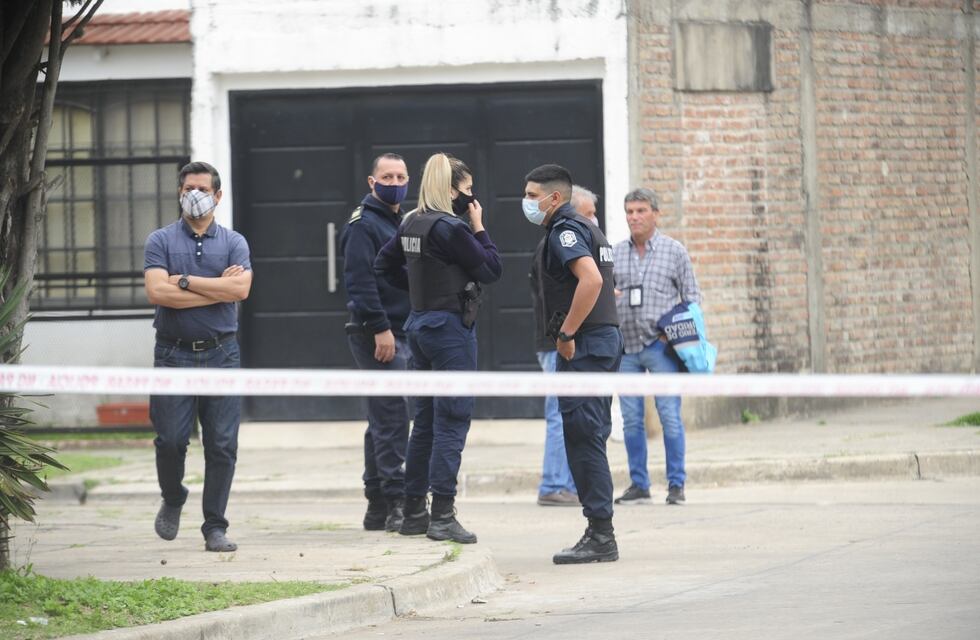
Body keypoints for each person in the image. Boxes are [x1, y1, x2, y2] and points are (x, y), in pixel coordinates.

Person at [375, 153, 501, 544]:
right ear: (450, 189)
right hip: (449, 331)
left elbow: (383, 265)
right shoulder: (452, 228)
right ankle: (443, 514)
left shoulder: (411, 221)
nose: (472, 198)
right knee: (452, 420)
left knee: (425, 423)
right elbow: (491, 269)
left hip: (420, 327)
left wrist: (417, 291)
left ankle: (415, 512)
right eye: (467, 190)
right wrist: (480, 228)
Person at [143, 161, 252, 552]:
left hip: (223, 354)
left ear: (217, 196)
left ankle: (215, 527)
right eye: (188, 187)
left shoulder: (235, 242)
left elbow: (240, 291)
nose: (194, 194)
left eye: (202, 188)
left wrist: (186, 281)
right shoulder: (160, 240)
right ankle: (173, 497)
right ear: (179, 192)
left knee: (222, 444)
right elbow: (158, 293)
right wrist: (217, 286)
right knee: (171, 440)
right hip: (173, 354)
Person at [522, 164, 623, 564]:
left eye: (532, 196)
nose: (527, 203)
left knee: (583, 439)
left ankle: (601, 534)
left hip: (585, 347)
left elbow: (592, 281)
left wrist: (565, 335)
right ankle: (600, 530)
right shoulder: (587, 228)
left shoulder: (566, 231)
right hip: (599, 344)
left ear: (554, 198)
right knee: (590, 437)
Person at [611, 187, 701, 506]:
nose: (634, 217)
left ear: (656, 214)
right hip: (627, 349)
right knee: (631, 420)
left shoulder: (674, 251)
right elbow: (603, 291)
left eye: (641, 210)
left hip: (660, 347)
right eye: (630, 211)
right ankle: (639, 484)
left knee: (669, 417)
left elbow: (692, 298)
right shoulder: (615, 252)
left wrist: (672, 332)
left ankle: (676, 485)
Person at [341, 153, 412, 532]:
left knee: (384, 416)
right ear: (372, 182)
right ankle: (396, 500)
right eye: (387, 175)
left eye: (401, 175)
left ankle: (376, 503)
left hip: (402, 329)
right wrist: (380, 328)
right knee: (392, 415)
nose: (395, 181)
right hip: (378, 333)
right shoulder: (363, 225)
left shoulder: (401, 220)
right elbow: (360, 282)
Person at [529, 184, 600, 507]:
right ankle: (554, 484)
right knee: (560, 413)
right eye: (588, 214)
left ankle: (568, 483)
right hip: (556, 342)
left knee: (573, 413)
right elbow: (555, 298)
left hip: (562, 340)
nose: (592, 221)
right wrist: (564, 335)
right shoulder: (558, 242)